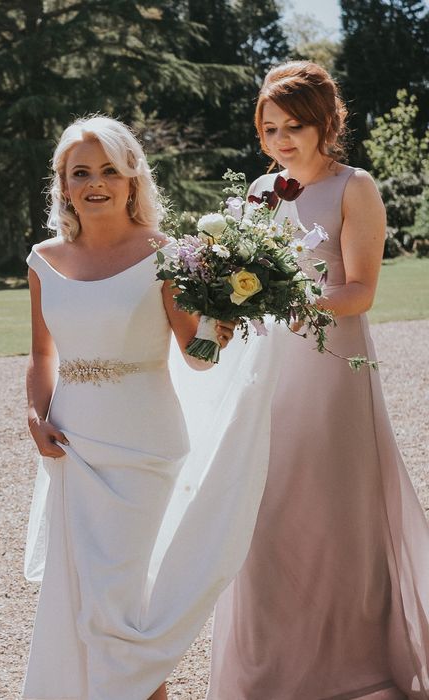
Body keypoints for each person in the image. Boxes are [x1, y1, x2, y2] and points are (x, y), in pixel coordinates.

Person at [22, 115, 287, 700]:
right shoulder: (43, 260)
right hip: (72, 443)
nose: (95, 183)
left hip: (144, 444)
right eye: (80, 173)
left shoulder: (165, 254)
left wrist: (220, 325)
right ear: (62, 185)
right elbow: (42, 356)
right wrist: (36, 416)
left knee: (114, 599)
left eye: (109, 171)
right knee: (89, 597)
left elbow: (195, 357)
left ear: (132, 178)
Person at [208, 61, 429, 699]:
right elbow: (233, 278)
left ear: (324, 124)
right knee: (265, 509)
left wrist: (290, 301)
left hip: (333, 369)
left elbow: (360, 292)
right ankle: (273, 666)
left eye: (293, 126)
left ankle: (351, 662)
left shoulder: (354, 187)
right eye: (269, 127)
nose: (280, 140)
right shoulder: (255, 190)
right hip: (267, 371)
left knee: (335, 512)